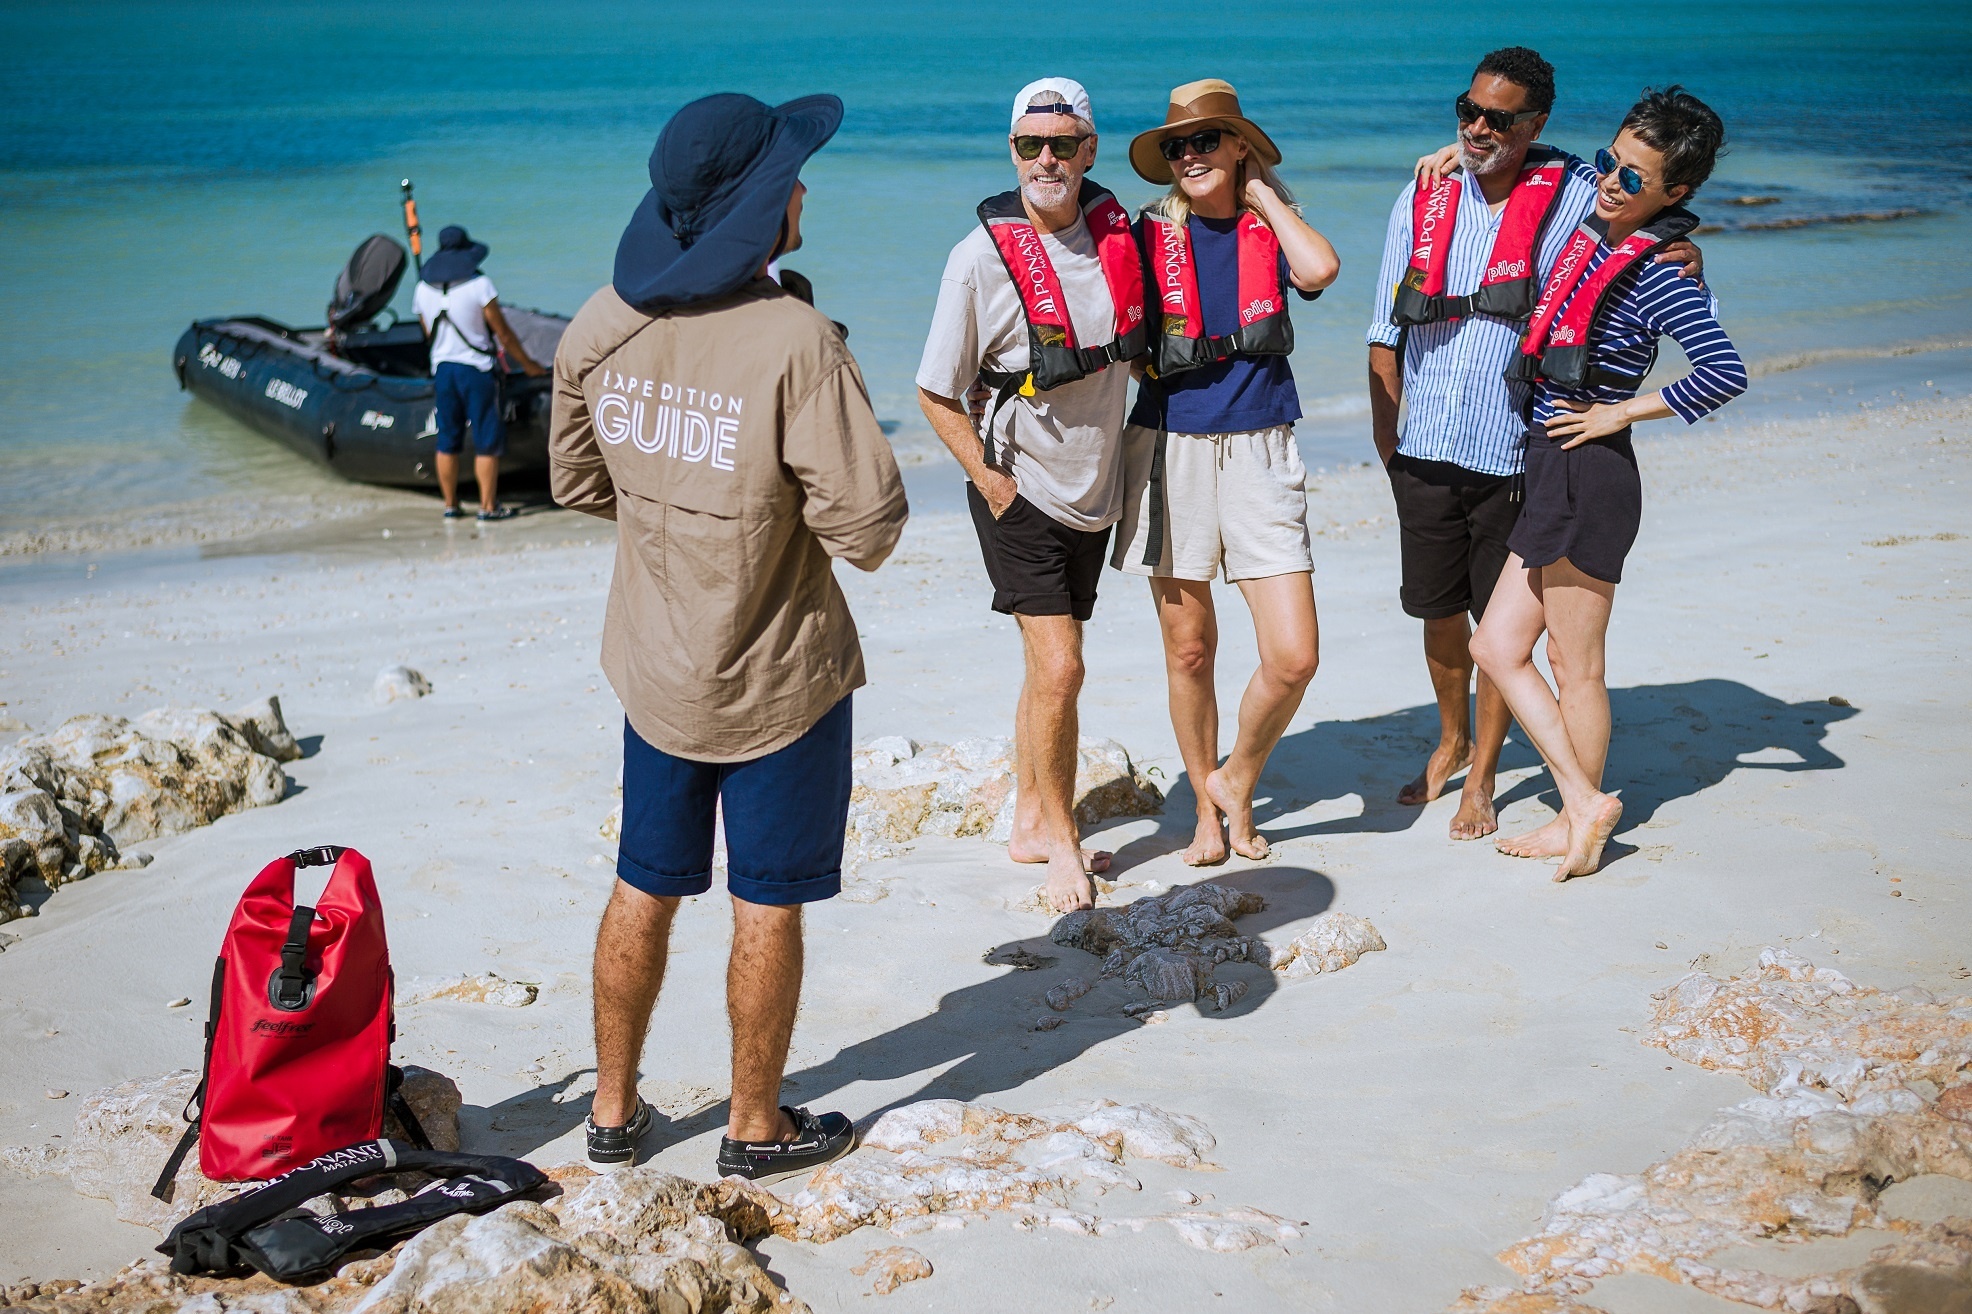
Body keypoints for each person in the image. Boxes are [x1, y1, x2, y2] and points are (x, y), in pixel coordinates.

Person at [550, 92, 908, 1177]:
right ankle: (753, 1126)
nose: (803, 189)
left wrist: (679, 512)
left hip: (655, 668)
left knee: (641, 883)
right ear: (760, 209)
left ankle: (612, 1114)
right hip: (774, 677)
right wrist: (756, 507)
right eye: (790, 178)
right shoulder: (797, 343)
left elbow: (575, 483)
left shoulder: (598, 324)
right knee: (766, 903)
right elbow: (870, 525)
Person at [1366, 47, 1704, 843]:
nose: (1478, 127)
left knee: (1504, 632)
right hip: (1423, 446)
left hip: (1519, 450)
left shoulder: (1580, 195)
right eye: (1469, 111)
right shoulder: (1421, 194)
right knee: (1440, 615)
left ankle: (1483, 777)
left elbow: (1649, 211)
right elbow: (1384, 331)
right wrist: (1389, 443)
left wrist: (1691, 250)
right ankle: (1452, 740)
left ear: (1537, 124)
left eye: (1500, 118)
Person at [1471, 87, 1745, 881]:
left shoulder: (1662, 271)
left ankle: (1576, 814)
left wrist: (1619, 413)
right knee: (1496, 644)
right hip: (1552, 460)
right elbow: (1524, 168)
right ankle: (1584, 800)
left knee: (1574, 662)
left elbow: (1723, 372)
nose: (1611, 184)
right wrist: (1451, 156)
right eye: (1610, 164)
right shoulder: (1594, 231)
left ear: (1676, 195)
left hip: (1591, 468)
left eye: (1634, 179)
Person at [916, 77, 1147, 914]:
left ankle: (1025, 820)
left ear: (1090, 149)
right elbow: (935, 393)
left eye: (1062, 143)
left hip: (1096, 488)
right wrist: (991, 481)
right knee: (1063, 666)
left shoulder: (1125, 239)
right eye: (1027, 144)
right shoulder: (977, 258)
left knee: (1047, 673)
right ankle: (1060, 845)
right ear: (1009, 150)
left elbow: (1219, 214)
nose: (1044, 159)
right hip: (1019, 489)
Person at [1110, 80, 1339, 863]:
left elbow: (1321, 270)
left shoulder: (1270, 228)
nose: (1190, 156)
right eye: (1177, 146)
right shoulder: (1146, 234)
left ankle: (1237, 777)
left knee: (1294, 654)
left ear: (1241, 145)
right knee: (1189, 649)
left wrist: (1270, 202)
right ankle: (1209, 815)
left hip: (1262, 446)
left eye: (1208, 140)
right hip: (1168, 446)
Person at [412, 225, 546, 521]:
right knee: (487, 437)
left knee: (447, 438)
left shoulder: (422, 289)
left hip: (443, 370)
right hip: (476, 370)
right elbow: (504, 335)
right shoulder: (479, 284)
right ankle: (488, 507)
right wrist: (529, 365)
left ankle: (451, 505)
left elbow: (427, 331)